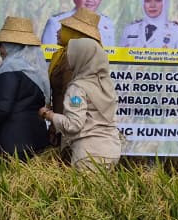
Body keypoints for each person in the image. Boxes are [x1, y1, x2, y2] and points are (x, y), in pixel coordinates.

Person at [39, 38, 121, 169]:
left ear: (80, 57)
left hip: (89, 154)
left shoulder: (78, 89)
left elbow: (73, 124)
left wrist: (48, 115)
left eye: (71, 54)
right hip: (112, 149)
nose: (67, 58)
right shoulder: (106, 84)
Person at [0, 16, 50, 158]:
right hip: (35, 141)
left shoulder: (10, 71)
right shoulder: (35, 72)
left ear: (12, 46)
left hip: (13, 146)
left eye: (1, 44)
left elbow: (2, 108)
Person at [48, 8, 103, 116]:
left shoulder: (75, 59)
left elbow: (74, 99)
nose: (58, 31)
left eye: (63, 29)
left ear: (74, 33)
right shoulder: (64, 55)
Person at [41, 0, 117, 46]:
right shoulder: (56, 23)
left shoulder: (107, 23)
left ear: (100, 0)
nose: (90, 0)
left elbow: (111, 55)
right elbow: (46, 56)